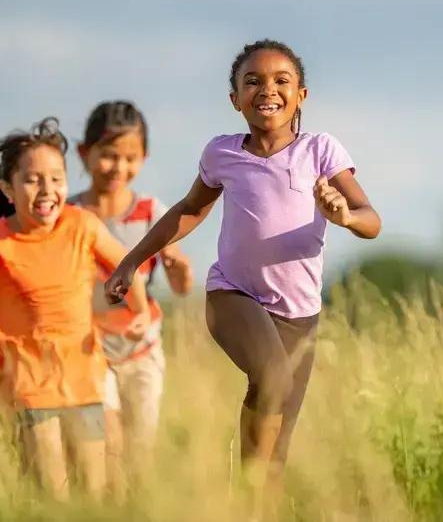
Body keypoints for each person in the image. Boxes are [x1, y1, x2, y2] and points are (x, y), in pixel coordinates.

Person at [104, 40, 381, 518]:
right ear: (234, 99)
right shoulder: (222, 154)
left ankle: (249, 507)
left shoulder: (320, 150)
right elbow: (189, 211)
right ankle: (246, 492)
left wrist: (343, 215)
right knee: (270, 376)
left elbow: (370, 218)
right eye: (252, 81)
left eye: (281, 81)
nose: (266, 90)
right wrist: (133, 260)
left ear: (302, 95)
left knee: (275, 453)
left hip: (300, 315)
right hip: (233, 293)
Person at [0, 117, 152, 500]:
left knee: (93, 494)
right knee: (51, 493)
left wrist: (139, 311)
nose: (47, 190)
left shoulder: (83, 224)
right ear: (8, 188)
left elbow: (128, 267)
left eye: (57, 178)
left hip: (84, 380)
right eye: (32, 179)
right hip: (27, 385)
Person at [70, 100, 192, 495]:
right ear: (84, 154)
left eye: (130, 158)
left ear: (144, 158)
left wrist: (176, 265)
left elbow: (181, 288)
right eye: (108, 156)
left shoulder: (152, 213)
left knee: (140, 449)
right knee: (107, 444)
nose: (118, 168)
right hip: (90, 349)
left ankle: (131, 506)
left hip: (142, 350)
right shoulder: (70, 214)